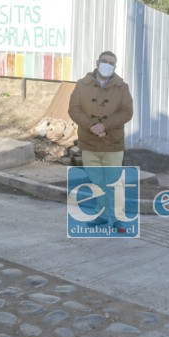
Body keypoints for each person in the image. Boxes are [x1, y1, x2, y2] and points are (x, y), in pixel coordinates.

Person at [68, 51, 133, 227]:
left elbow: (127, 112)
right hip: (90, 143)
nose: (107, 64)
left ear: (115, 66)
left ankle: (118, 218)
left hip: (112, 144)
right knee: (97, 183)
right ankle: (102, 214)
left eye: (111, 63)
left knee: (114, 183)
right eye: (104, 61)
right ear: (97, 62)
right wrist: (91, 126)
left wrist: (105, 125)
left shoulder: (122, 87)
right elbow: (74, 109)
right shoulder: (82, 84)